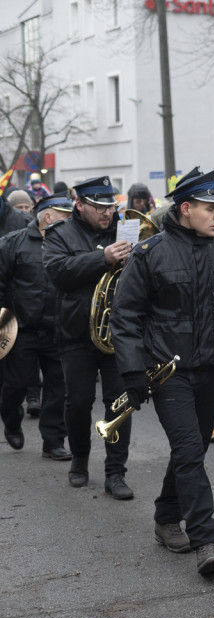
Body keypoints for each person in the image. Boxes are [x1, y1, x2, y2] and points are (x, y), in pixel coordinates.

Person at [110, 167, 214, 576]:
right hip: (167, 373)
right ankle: (206, 538)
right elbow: (125, 317)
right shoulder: (149, 253)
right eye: (211, 209)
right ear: (186, 208)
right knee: (192, 451)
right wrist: (132, 372)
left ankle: (164, 517)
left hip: (212, 370)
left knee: (187, 450)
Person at [42, 176, 135, 499]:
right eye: (98, 207)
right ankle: (79, 460)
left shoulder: (125, 230)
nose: (106, 213)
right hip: (75, 334)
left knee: (120, 404)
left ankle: (115, 472)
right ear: (79, 205)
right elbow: (58, 272)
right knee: (79, 402)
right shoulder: (60, 233)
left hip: (117, 334)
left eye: (110, 207)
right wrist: (103, 258)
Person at [0, 193, 72, 460]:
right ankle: (10, 419)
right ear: (48, 217)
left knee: (58, 387)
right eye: (65, 216)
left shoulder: (71, 245)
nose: (70, 221)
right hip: (22, 330)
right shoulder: (12, 243)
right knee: (15, 384)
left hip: (59, 329)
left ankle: (53, 441)